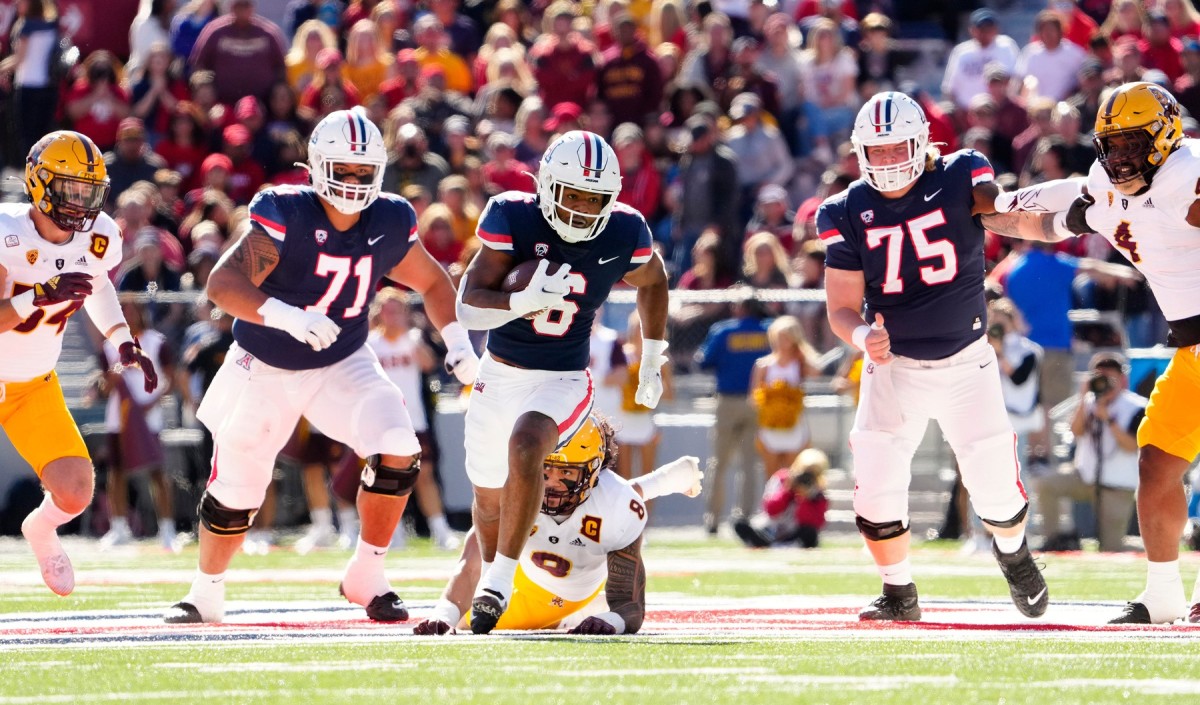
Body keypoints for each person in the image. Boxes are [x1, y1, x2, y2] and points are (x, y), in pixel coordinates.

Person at [163, 107, 479, 625]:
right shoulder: (287, 211)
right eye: (343, 170)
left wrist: (459, 344)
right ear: (315, 166)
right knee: (237, 489)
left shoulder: (389, 218)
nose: (354, 182)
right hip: (265, 362)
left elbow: (434, 281)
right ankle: (206, 591)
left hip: (342, 359)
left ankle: (367, 574)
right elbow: (222, 284)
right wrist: (286, 315)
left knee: (400, 445)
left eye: (363, 171)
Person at [818, 91, 1049, 622]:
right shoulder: (845, 209)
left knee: (994, 485)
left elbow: (992, 202)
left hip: (967, 359)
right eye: (874, 151)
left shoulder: (961, 171)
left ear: (921, 141)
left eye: (896, 146)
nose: (886, 160)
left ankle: (1013, 555)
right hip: (893, 365)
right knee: (874, 487)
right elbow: (842, 308)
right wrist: (860, 340)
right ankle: (898, 592)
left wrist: (1004, 204)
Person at [983, 82, 1200, 624]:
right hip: (1194, 349)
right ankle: (1164, 591)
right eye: (1114, 144)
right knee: (1156, 461)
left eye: (1133, 142)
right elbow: (1045, 217)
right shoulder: (1106, 185)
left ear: (1167, 134)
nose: (1122, 155)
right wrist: (981, 207)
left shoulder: (1185, 173)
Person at [454, 129, 670, 634]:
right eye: (572, 194)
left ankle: (499, 583)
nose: (580, 209)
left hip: (565, 376)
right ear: (547, 184)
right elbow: (468, 305)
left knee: (529, 442)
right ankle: (492, 573)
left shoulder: (623, 231)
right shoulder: (514, 215)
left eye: (593, 199)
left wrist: (654, 358)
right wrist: (521, 303)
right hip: (499, 372)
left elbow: (654, 279)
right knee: (488, 497)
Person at [1, 130, 158, 596]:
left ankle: (40, 530)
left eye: (88, 191)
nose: (80, 202)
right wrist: (39, 296)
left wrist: (121, 340)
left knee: (75, 490)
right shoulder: (7, 233)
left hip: (32, 384)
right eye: (70, 188)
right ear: (39, 183)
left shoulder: (99, 235)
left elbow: (99, 286)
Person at [411, 415, 702, 635]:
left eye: (565, 472)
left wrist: (610, 621)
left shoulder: (618, 504)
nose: (551, 484)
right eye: (545, 469)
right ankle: (664, 480)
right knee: (483, 536)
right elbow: (473, 561)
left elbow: (630, 606)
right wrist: (444, 613)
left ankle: (569, 614)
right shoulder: (517, 483)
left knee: (471, 623)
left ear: (593, 471)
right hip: (519, 567)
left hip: (560, 592)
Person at [1036, 353, 1143, 553]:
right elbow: (1076, 432)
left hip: (1118, 485)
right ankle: (1055, 539)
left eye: (1109, 378)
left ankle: (1143, 547)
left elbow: (1131, 445)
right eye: (1099, 377)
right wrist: (1083, 399)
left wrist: (1109, 418)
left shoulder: (1136, 406)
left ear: (1122, 379)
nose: (1104, 383)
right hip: (1084, 476)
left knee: (1111, 548)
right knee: (1046, 483)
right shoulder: (1088, 402)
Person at [697, 293, 772, 535]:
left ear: (739, 308)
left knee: (719, 462)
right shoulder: (769, 330)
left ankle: (713, 519)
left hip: (727, 401)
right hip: (758, 401)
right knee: (749, 464)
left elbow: (703, 361)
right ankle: (744, 517)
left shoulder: (723, 331)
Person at [750, 315, 818, 477]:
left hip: (794, 424)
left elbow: (816, 372)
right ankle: (772, 502)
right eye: (779, 337)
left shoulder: (800, 363)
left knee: (793, 473)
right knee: (772, 475)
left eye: (787, 338)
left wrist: (802, 352)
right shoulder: (764, 365)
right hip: (770, 425)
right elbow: (753, 398)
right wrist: (773, 397)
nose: (782, 342)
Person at [733, 447, 830, 549]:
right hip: (771, 528)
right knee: (740, 524)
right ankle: (766, 543)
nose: (807, 477)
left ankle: (779, 545)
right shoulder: (782, 478)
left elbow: (815, 523)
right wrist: (788, 490)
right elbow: (771, 510)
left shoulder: (819, 493)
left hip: (794, 531)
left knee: (810, 533)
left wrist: (804, 497)